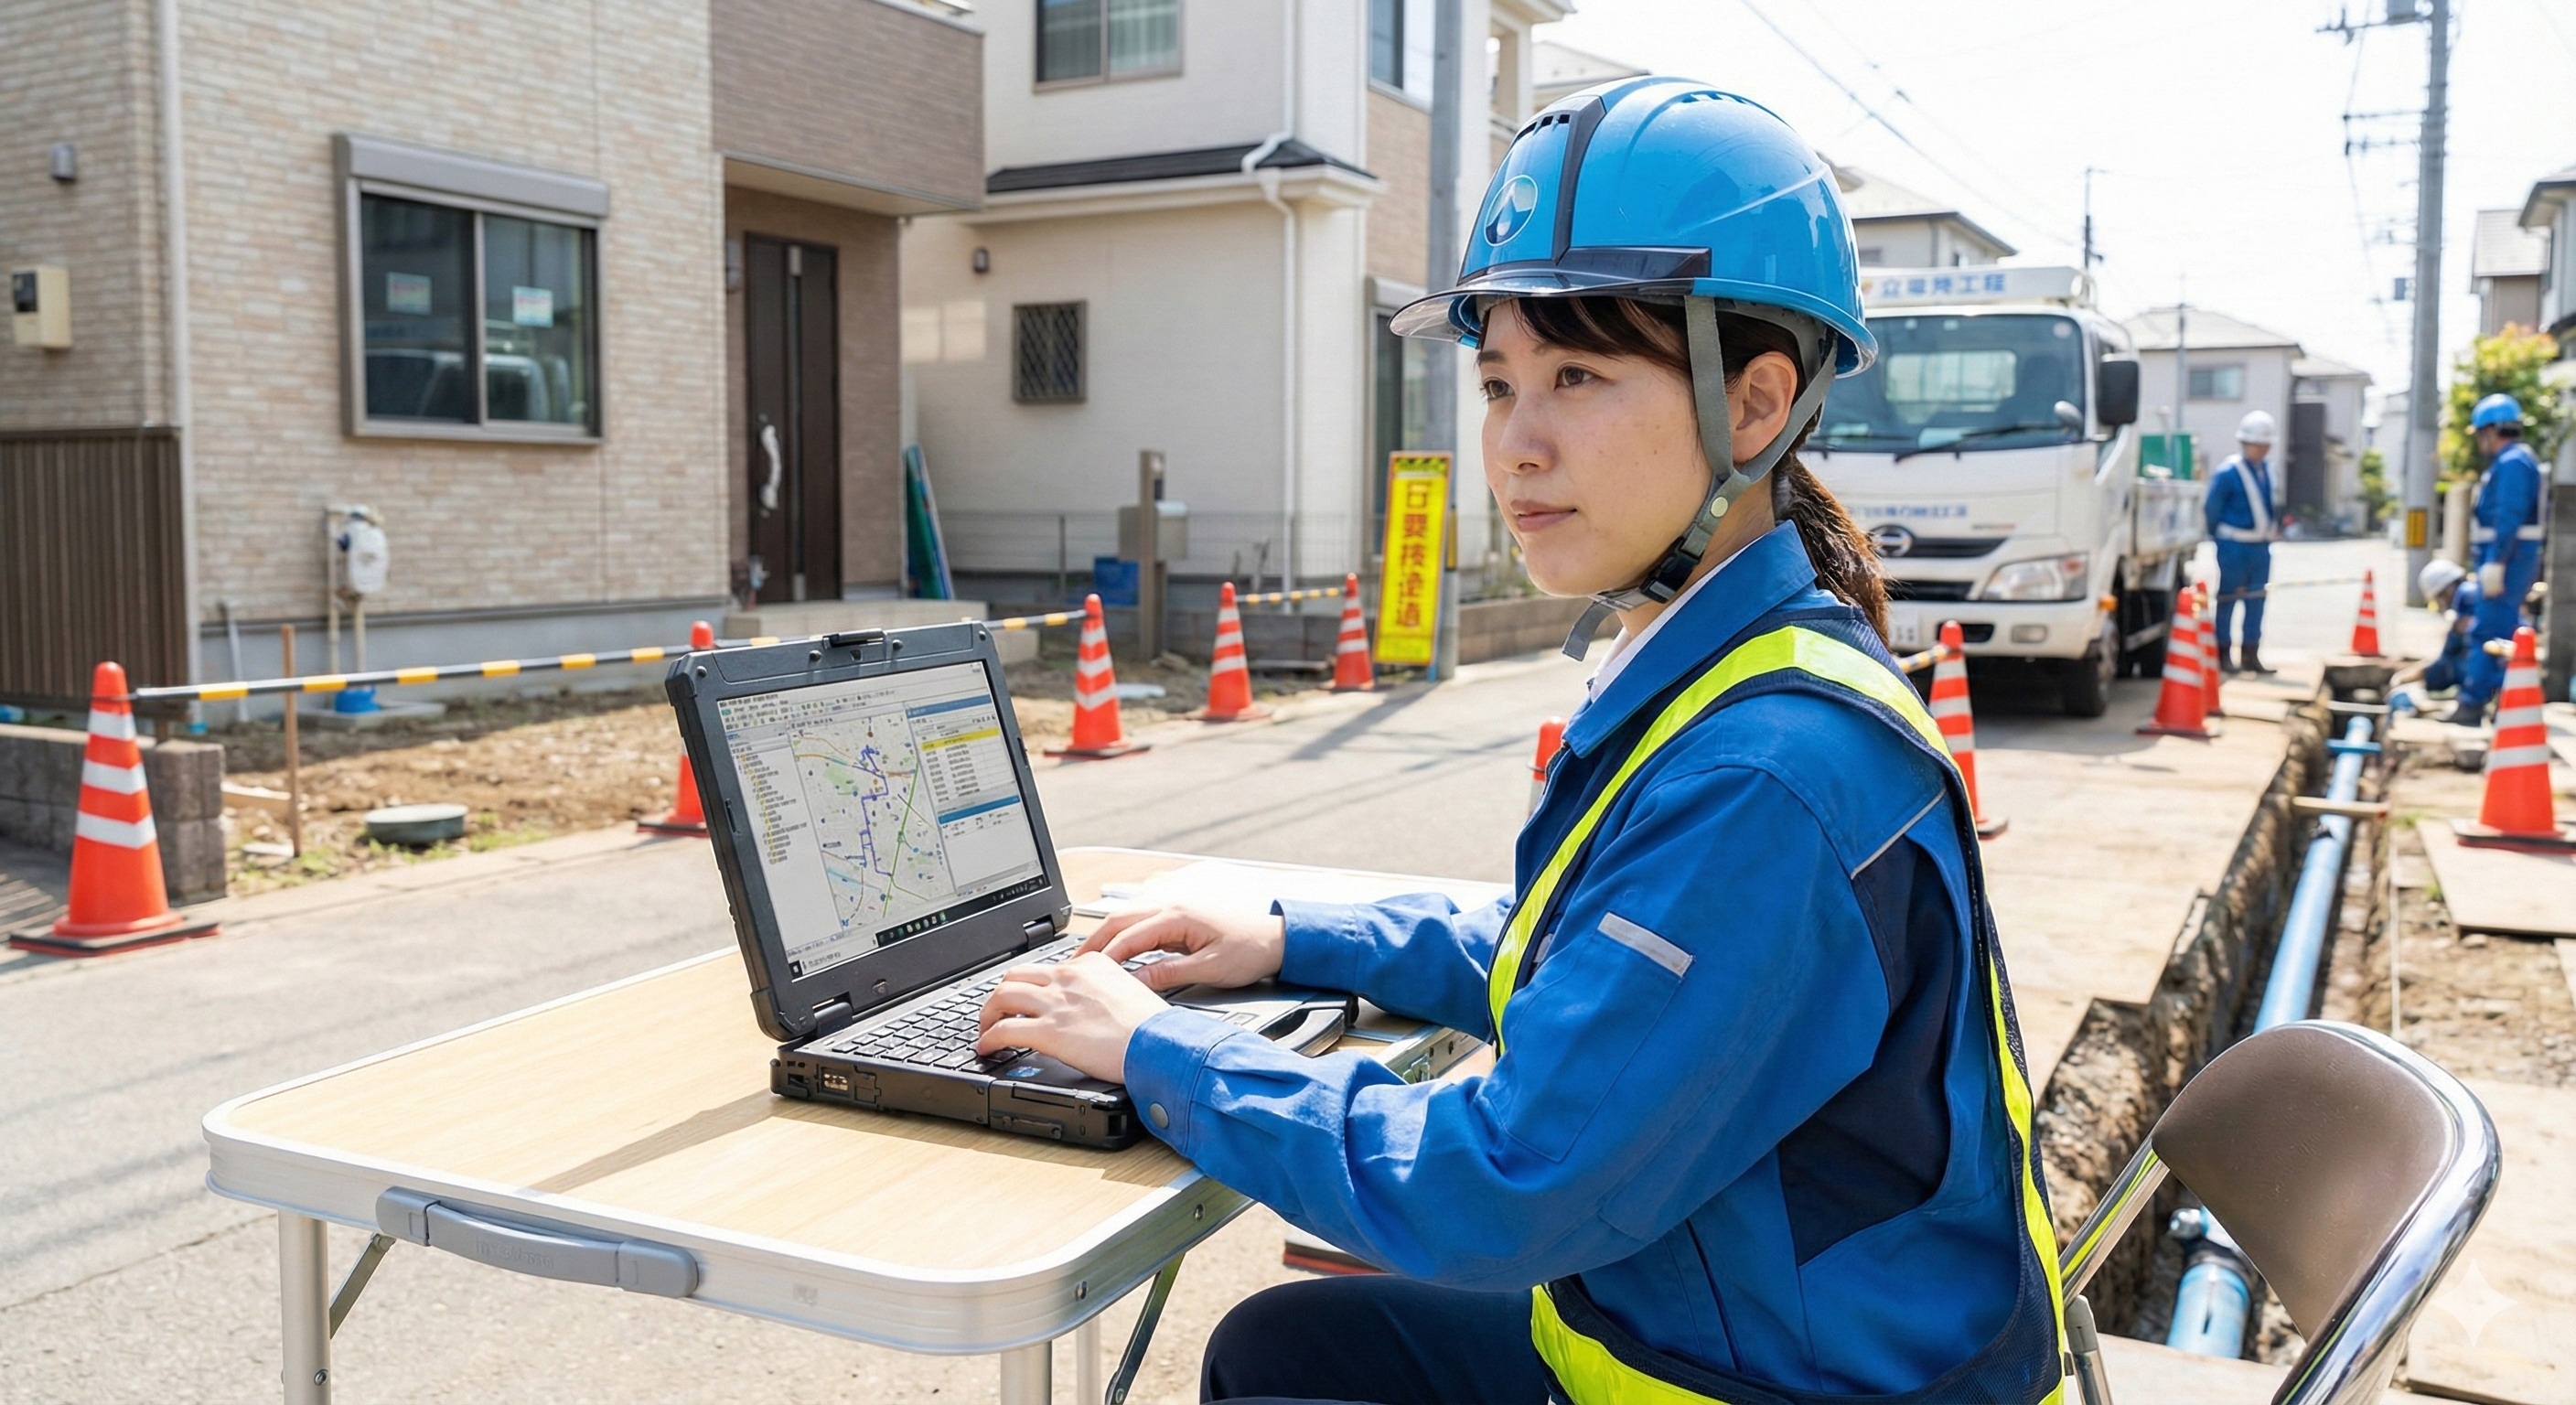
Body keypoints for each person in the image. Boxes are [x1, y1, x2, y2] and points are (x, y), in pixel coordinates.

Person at [976, 80, 2064, 1405]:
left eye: (1577, 377)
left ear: (1754, 405)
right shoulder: (1738, 668)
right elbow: (1591, 969)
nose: (1515, 446)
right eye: (1497, 385)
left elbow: (1503, 1185)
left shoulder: (1767, 773)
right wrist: (1294, 936)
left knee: (1295, 1357)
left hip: (1768, 1383)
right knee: (1283, 1349)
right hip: (1721, 1342)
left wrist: (1158, 1049)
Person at [2450, 393, 2547, 725]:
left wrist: (2496, 562)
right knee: (2501, 631)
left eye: (2480, 434)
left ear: (2491, 430)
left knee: (2488, 630)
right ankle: (2501, 704)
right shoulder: (2513, 461)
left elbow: (2509, 516)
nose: (2480, 442)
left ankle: (2472, 705)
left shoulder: (2512, 463)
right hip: (2509, 560)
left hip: (2508, 560)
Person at [2203, 411, 2281, 674]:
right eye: (2256, 444)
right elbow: (2211, 509)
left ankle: (2251, 654)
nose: (2261, 450)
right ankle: (2223, 653)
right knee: (2228, 599)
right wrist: (2220, 540)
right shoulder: (2227, 472)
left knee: (2257, 599)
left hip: (2260, 546)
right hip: (2233, 545)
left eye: (2265, 445)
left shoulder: (2268, 471)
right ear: (2245, 443)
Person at [2393, 557, 2477, 713]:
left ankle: (2472, 705)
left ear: (2448, 589)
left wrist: (2422, 674)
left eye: (2441, 597)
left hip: (2492, 665)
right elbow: (2451, 648)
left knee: (2454, 668)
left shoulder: (2467, 595)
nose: (2443, 602)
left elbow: (2450, 656)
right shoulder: (2472, 592)